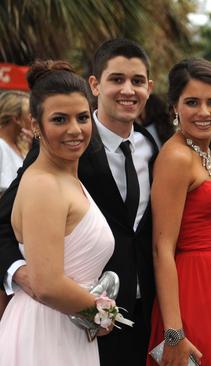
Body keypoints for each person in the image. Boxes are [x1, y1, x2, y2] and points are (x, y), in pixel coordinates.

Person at [0, 38, 157, 365]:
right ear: (95, 84)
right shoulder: (54, 158)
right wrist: (23, 274)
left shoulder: (151, 147)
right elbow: (4, 225)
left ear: (149, 88)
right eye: (117, 79)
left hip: (137, 315)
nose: (128, 90)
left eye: (137, 81)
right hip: (61, 322)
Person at [0, 60, 115, 365]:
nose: (74, 130)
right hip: (44, 333)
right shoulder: (43, 185)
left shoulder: (67, 177)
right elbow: (47, 284)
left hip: (70, 330)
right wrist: (104, 313)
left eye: (81, 117)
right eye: (60, 119)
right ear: (36, 126)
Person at [147, 58, 211, 366]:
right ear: (174, 107)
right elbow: (160, 249)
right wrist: (174, 334)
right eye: (192, 102)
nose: (204, 112)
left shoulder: (203, 151)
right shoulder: (176, 157)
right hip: (193, 289)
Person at [0, 90, 30, 195]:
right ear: (17, 119)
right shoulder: (1, 146)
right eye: (29, 115)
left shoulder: (23, 146)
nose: (34, 120)